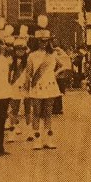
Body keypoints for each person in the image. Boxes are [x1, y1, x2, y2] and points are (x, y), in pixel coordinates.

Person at [26, 15, 62, 150]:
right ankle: (37, 140)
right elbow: (29, 73)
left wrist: (55, 74)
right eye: (41, 41)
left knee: (48, 113)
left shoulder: (52, 55)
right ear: (37, 41)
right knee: (36, 112)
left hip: (51, 86)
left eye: (46, 41)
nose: (44, 43)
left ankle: (48, 140)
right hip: (37, 86)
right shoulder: (31, 55)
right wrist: (27, 87)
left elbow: (63, 65)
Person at [6, 26, 30, 143]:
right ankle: (11, 132)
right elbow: (8, 75)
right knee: (14, 110)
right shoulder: (11, 62)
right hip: (15, 87)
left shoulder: (28, 61)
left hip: (26, 87)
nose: (20, 51)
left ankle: (30, 131)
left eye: (22, 49)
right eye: (17, 49)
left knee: (28, 110)